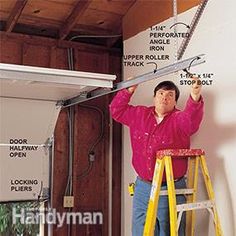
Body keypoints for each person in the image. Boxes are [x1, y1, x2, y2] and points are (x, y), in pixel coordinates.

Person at [109, 77, 204, 236]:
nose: (164, 98)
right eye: (160, 93)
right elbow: (116, 110)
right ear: (154, 97)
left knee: (168, 230)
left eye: (170, 95)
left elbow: (191, 121)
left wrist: (194, 96)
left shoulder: (179, 119)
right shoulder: (139, 114)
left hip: (170, 187)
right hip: (143, 187)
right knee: (141, 230)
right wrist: (128, 89)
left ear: (175, 101)